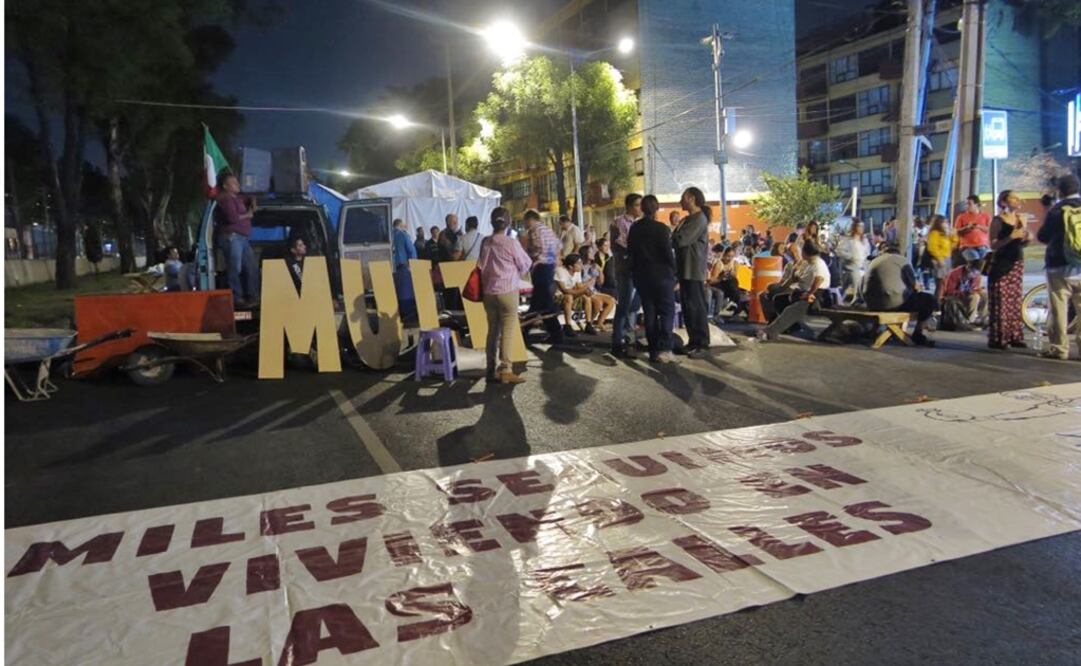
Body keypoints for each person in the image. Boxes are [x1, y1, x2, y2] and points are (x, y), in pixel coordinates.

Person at [476, 207, 531, 383]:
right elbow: (525, 265)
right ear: (508, 223)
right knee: (507, 331)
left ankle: (490, 369)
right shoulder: (511, 242)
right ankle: (506, 369)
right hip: (507, 292)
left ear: (492, 223)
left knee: (492, 331)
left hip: (489, 293)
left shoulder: (485, 242)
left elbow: (481, 266)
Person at [628, 195, 678, 363]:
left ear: (642, 208)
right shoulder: (662, 229)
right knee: (666, 311)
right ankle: (665, 348)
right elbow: (667, 254)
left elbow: (631, 253)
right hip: (662, 275)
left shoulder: (635, 229)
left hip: (643, 275)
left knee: (650, 312)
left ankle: (653, 349)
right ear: (656, 209)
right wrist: (675, 272)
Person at [1037, 174, 1081, 360]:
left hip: (1059, 266)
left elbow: (1043, 236)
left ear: (1060, 191)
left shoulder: (1056, 210)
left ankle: (1059, 348)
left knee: (1059, 309)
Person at [863, 243, 936, 346]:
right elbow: (914, 285)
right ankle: (918, 333)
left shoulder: (874, 261)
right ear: (898, 253)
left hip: (872, 304)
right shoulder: (902, 260)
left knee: (897, 295)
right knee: (929, 300)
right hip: (894, 304)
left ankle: (876, 331)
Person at [760, 241, 831, 341]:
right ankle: (792, 326)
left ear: (805, 252)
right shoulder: (806, 263)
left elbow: (819, 279)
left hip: (816, 295)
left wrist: (809, 293)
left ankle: (771, 331)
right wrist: (794, 273)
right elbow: (795, 278)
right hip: (800, 291)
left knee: (792, 310)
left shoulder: (818, 263)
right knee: (779, 299)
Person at [986, 190, 1029, 350]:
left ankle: (1014, 335)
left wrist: (1026, 238)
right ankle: (1000, 337)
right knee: (1002, 300)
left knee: (1014, 299)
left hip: (1016, 262)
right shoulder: (998, 220)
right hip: (1001, 264)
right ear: (1003, 202)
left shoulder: (1020, 219)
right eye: (1013, 198)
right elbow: (993, 244)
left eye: (1019, 198)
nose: (1018, 201)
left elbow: (1021, 243)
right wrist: (1011, 236)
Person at [673, 186, 711, 357]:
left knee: (696, 307)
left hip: (693, 270)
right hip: (685, 269)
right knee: (688, 306)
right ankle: (693, 341)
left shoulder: (698, 219)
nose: (681, 201)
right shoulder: (689, 219)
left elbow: (680, 240)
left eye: (684, 197)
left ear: (692, 198)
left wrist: (673, 235)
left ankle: (702, 342)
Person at [215, 173, 259, 307]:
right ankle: (236, 297)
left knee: (251, 267)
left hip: (242, 238)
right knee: (235, 267)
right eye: (233, 182)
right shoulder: (225, 199)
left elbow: (251, 197)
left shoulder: (237, 198)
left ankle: (252, 296)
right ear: (225, 186)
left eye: (237, 182)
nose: (237, 184)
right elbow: (232, 218)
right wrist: (248, 214)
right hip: (232, 237)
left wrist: (253, 202)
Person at [608, 193, 643, 358]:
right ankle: (617, 341)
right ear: (629, 206)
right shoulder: (620, 222)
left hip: (637, 268)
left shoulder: (638, 223)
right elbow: (620, 244)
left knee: (634, 305)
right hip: (625, 269)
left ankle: (628, 338)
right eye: (637, 205)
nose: (640, 208)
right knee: (624, 305)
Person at [524, 209, 564, 345]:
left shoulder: (534, 230)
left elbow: (536, 247)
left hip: (540, 267)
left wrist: (529, 254)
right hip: (550, 267)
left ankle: (524, 330)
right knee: (542, 302)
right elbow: (559, 246)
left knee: (540, 302)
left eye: (525, 221)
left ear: (530, 219)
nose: (525, 225)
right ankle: (555, 332)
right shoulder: (548, 230)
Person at [554, 253, 597, 336]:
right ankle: (568, 326)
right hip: (558, 296)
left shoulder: (577, 272)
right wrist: (584, 289)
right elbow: (564, 290)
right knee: (568, 297)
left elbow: (579, 286)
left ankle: (588, 324)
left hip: (572, 294)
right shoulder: (560, 271)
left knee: (587, 298)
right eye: (579, 263)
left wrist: (587, 286)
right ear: (570, 266)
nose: (581, 265)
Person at [939, 260, 986, 331]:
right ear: (968, 268)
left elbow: (974, 288)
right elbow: (949, 291)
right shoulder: (955, 273)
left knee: (984, 295)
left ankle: (980, 319)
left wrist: (978, 290)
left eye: (977, 272)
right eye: (973, 271)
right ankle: (968, 322)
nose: (975, 274)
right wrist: (965, 292)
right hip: (954, 298)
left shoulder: (976, 276)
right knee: (975, 297)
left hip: (966, 295)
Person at [580, 244, 616, 331]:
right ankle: (590, 323)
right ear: (585, 253)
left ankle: (600, 322)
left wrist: (600, 271)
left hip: (594, 291)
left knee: (611, 300)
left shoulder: (594, 266)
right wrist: (591, 280)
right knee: (598, 302)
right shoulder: (580, 266)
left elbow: (600, 282)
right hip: (584, 291)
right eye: (590, 252)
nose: (593, 253)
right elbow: (580, 283)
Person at [835, 218, 869, 303]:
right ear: (855, 227)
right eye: (859, 226)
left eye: (862, 227)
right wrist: (851, 257)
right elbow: (839, 251)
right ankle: (856, 298)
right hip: (850, 267)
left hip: (862, 267)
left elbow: (866, 254)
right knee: (852, 282)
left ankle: (856, 299)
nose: (861, 228)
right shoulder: (848, 240)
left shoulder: (865, 241)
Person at [707, 244, 743, 321]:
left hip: (731, 286)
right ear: (724, 255)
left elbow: (736, 277)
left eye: (731, 256)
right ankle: (734, 304)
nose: (729, 258)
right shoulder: (719, 264)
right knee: (731, 283)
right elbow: (712, 281)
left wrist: (732, 274)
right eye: (728, 256)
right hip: (719, 284)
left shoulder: (735, 263)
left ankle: (734, 303)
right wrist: (722, 276)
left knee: (733, 281)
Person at [391, 218, 418, 320]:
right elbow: (411, 251)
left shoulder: (387, 236)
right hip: (403, 268)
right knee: (405, 293)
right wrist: (413, 265)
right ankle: (407, 316)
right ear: (400, 225)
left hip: (390, 269)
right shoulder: (403, 235)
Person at [954, 195, 991, 262]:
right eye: (967, 204)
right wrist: (967, 228)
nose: (967, 206)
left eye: (969, 204)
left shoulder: (986, 216)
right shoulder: (961, 217)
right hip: (967, 246)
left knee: (985, 264)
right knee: (975, 262)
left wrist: (979, 226)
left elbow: (990, 230)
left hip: (983, 246)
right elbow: (956, 231)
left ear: (977, 205)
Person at [925, 214, 953, 302]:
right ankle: (937, 303)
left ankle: (942, 301)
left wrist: (951, 235)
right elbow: (932, 248)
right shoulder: (934, 234)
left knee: (946, 283)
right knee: (940, 283)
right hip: (939, 260)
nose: (946, 224)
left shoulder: (945, 234)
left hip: (947, 258)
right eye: (944, 222)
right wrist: (939, 259)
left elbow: (953, 245)